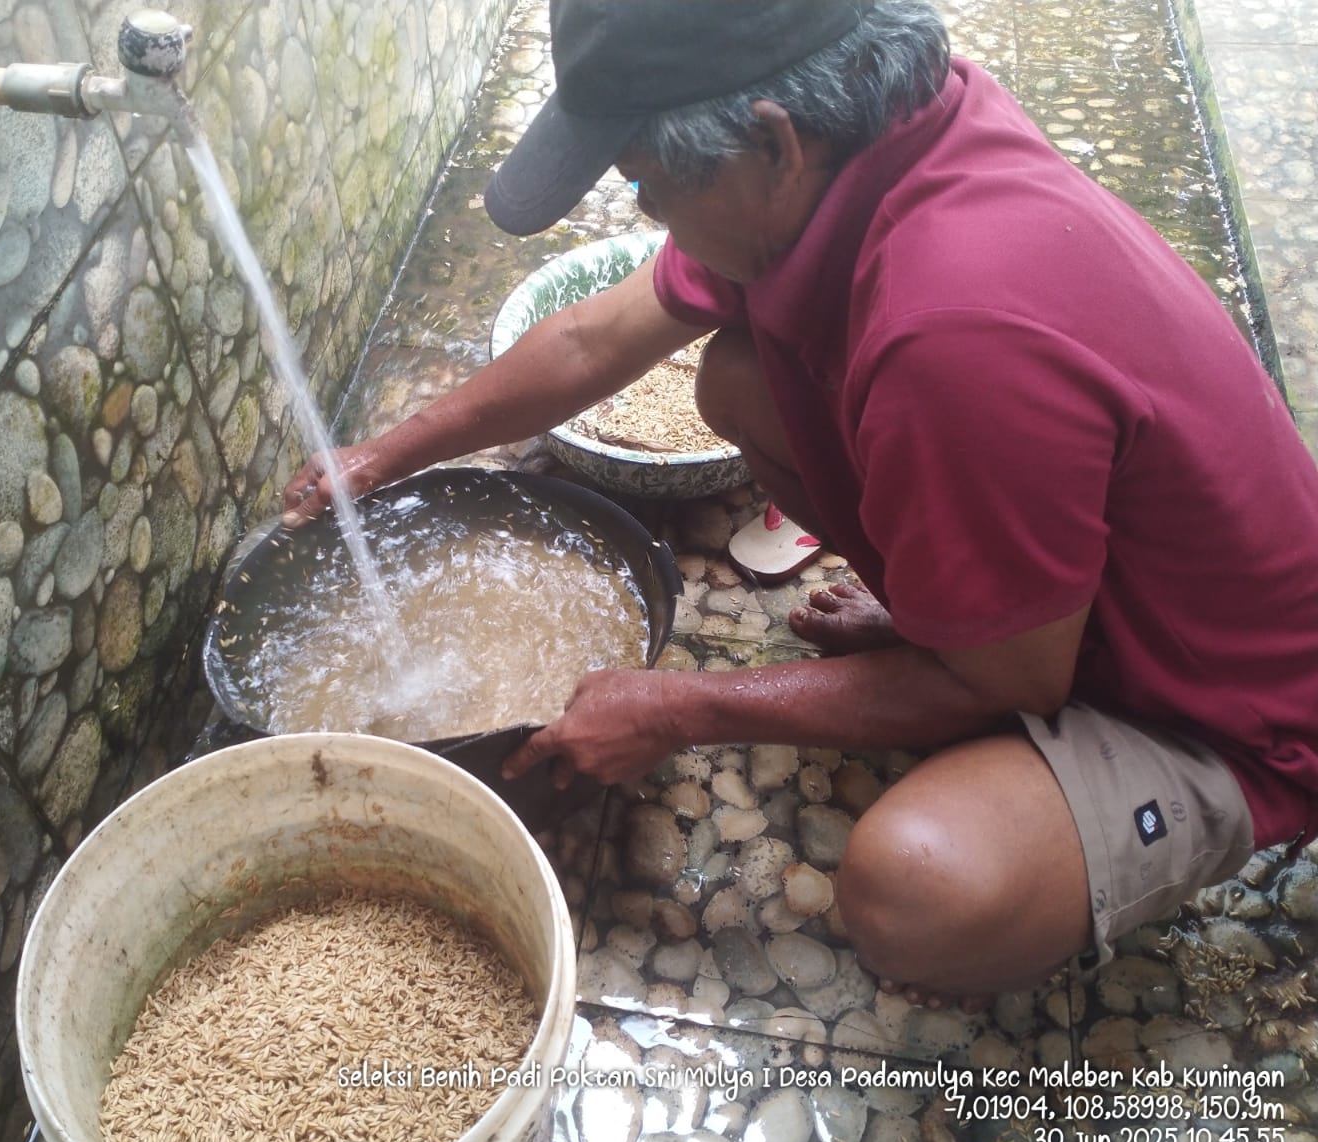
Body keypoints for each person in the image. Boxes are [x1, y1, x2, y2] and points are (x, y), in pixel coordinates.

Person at [281, 0, 1318, 1005]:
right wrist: (381, 455)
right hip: (1074, 605)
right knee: (739, 379)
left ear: (770, 144)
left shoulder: (948, 336)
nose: (647, 215)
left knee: (917, 890)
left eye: (646, 185)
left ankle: (996, 669)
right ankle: (958, 620)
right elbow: (597, 340)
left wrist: (680, 709)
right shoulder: (874, 146)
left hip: (1225, 716)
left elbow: (1017, 682)